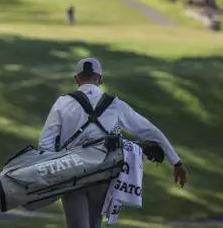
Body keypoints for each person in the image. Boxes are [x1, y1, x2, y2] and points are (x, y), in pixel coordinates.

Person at [38, 57, 188, 228]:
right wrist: (176, 162)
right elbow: (151, 132)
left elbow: (45, 144)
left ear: (76, 79)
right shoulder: (115, 105)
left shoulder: (62, 103)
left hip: (71, 174)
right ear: (100, 79)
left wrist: (52, 173)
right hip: (103, 174)